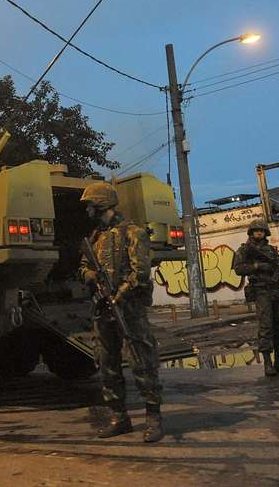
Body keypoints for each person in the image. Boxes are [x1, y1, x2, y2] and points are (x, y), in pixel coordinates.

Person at [78, 182, 164, 443]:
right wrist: (90, 275)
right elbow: (83, 267)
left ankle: (153, 418)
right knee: (107, 365)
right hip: (102, 309)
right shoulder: (95, 237)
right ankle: (119, 417)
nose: (88, 210)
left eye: (90, 205)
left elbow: (140, 273)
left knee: (142, 362)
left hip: (129, 310)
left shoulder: (133, 232)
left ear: (101, 205)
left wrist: (118, 295)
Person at [232, 220, 279, 376]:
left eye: (262, 230)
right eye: (256, 230)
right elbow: (238, 269)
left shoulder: (272, 251)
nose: (259, 233)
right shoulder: (245, 250)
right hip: (261, 292)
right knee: (266, 326)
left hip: (276, 291)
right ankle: (267, 363)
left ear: (266, 233)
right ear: (251, 233)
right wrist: (257, 267)